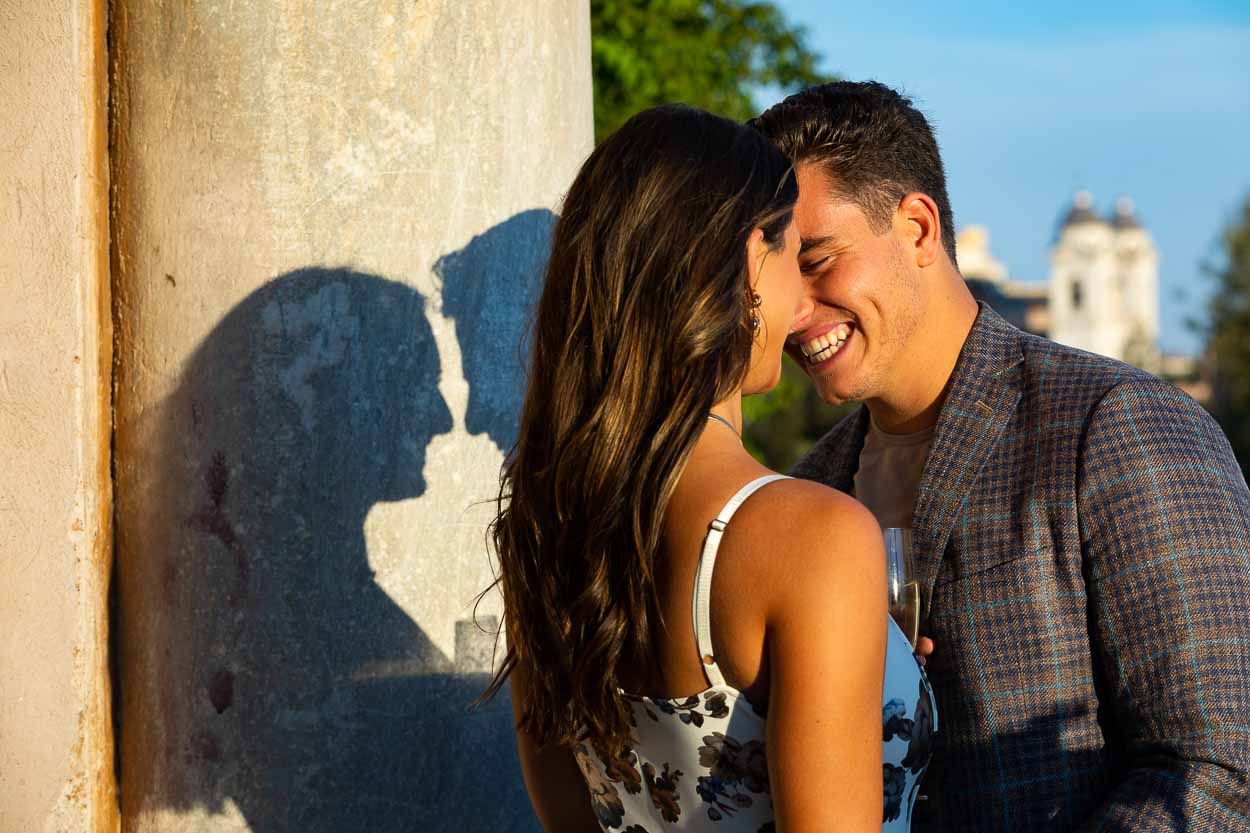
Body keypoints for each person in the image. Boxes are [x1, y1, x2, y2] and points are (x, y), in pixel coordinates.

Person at [751, 80, 1250, 832]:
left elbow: (1219, 769)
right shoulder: (807, 490)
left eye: (818, 260)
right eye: (779, 278)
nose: (792, 310)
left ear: (918, 227)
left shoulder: (1114, 426)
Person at [484, 104, 937, 832]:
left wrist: (863, 658)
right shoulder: (810, 534)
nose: (802, 303)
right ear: (750, 260)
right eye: (798, 256)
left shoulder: (546, 528)